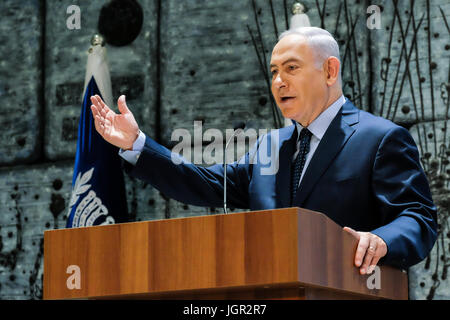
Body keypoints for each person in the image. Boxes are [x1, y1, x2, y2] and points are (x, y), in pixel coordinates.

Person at [90, 27, 437, 273]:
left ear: (330, 71)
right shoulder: (271, 147)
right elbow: (207, 183)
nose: (278, 82)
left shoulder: (380, 139)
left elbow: (418, 218)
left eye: (291, 68)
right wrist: (137, 145)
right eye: (273, 71)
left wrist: (380, 240)